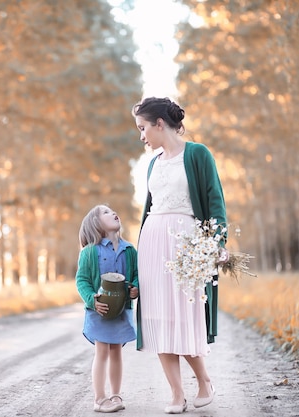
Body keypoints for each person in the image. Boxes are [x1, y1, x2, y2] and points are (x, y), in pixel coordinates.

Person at [132, 97, 228, 414]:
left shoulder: (198, 154)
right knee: (158, 318)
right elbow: (150, 209)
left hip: (186, 246)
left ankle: (204, 381)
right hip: (153, 245)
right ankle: (176, 393)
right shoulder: (153, 163)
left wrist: (216, 242)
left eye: (143, 128)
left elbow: (215, 202)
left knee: (184, 318)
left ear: (160, 123)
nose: (142, 135)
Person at [75, 204, 140, 413]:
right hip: (99, 311)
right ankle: (99, 398)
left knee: (117, 352)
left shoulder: (129, 250)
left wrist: (135, 288)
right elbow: (82, 280)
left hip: (121, 311)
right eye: (105, 212)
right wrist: (91, 300)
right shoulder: (89, 252)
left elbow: (138, 274)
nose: (113, 212)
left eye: (112, 210)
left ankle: (115, 395)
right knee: (101, 351)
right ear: (95, 224)